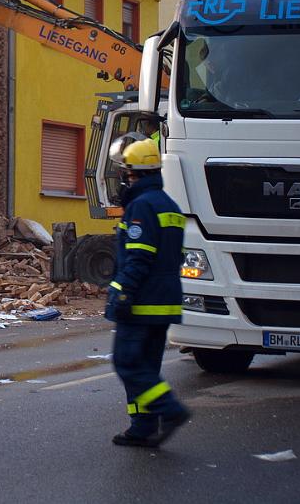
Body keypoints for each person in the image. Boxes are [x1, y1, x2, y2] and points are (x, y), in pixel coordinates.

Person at [106, 133, 190, 448]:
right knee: (146, 366)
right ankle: (142, 427)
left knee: (127, 363)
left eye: (126, 173)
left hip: (142, 302)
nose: (125, 179)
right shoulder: (170, 205)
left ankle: (169, 410)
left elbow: (138, 257)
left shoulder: (141, 206)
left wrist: (122, 293)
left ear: (135, 174)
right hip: (165, 301)